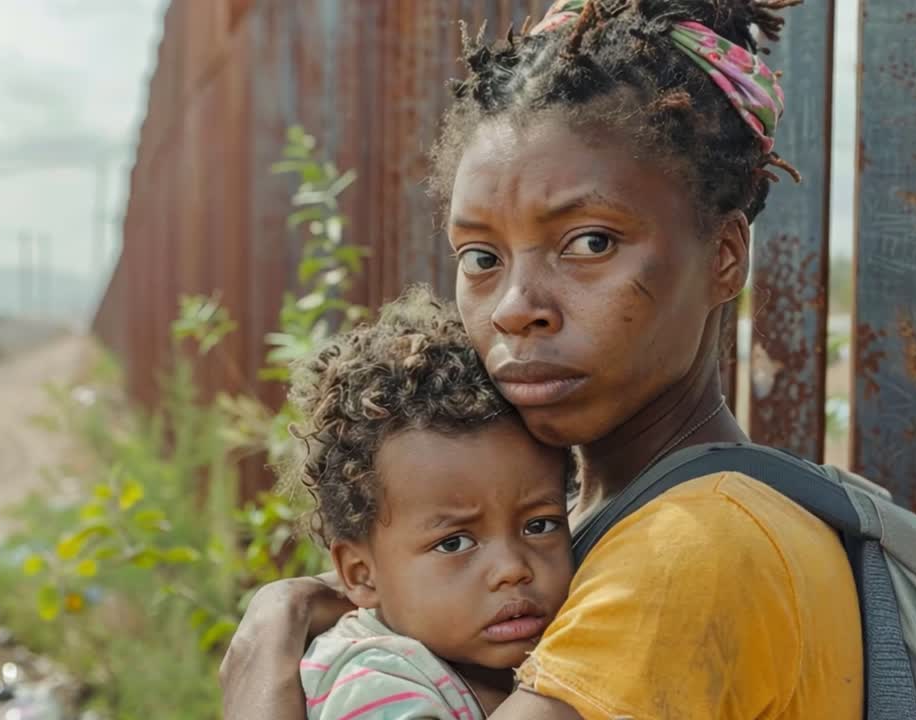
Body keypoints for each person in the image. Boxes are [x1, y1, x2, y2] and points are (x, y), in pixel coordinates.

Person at [221, 1, 863, 718]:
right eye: (482, 257)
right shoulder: (597, 525)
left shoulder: (686, 551)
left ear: (723, 255)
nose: (515, 306)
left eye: (590, 242)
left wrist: (261, 662)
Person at [288, 288, 575, 719]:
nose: (513, 568)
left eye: (539, 525)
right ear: (361, 574)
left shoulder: (472, 657)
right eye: (455, 543)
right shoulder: (375, 682)